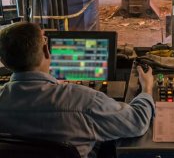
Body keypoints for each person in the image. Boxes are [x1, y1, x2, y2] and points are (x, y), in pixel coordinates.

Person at [0, 22, 155, 158]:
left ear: (4, 62)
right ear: (47, 50)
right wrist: (147, 88)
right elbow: (138, 121)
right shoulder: (82, 100)